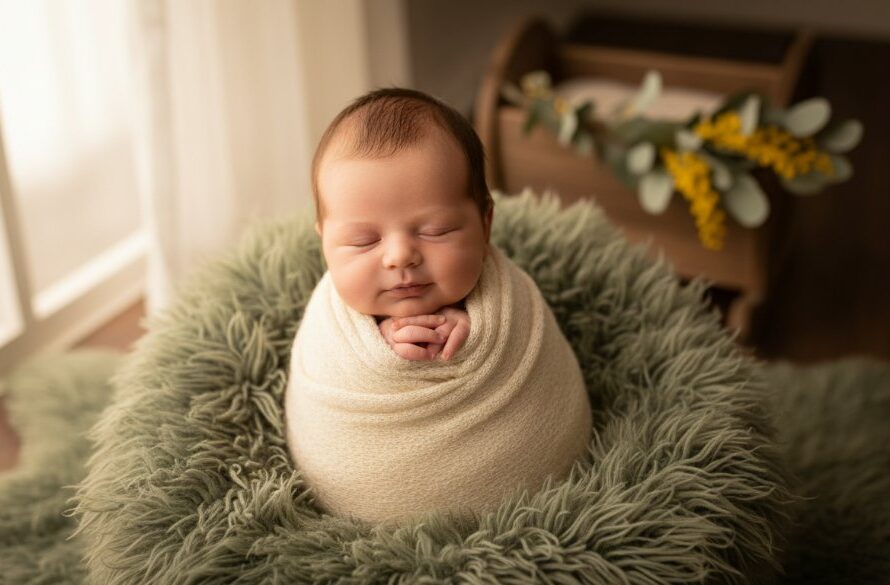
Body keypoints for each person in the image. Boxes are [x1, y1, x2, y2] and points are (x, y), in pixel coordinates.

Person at [311, 87, 492, 361]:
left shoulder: (506, 297)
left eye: (436, 231)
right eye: (363, 241)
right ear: (325, 244)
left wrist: (479, 332)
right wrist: (376, 342)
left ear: (485, 226)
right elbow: (326, 365)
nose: (400, 256)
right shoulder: (328, 321)